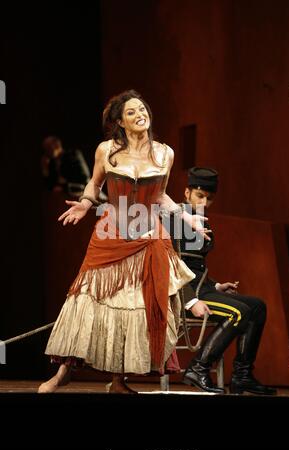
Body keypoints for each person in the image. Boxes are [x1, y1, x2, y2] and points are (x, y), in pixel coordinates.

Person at [38, 90, 209, 394]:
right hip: (110, 235)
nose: (140, 114)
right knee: (86, 301)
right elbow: (95, 182)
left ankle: (118, 381)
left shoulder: (164, 153)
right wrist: (86, 203)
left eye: (142, 109)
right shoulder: (107, 150)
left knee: (135, 310)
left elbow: (159, 195)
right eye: (131, 112)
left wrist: (187, 217)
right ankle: (64, 371)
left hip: (148, 238)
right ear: (119, 121)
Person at [169, 167, 277, 395]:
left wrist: (215, 286)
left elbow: (195, 267)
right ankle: (198, 368)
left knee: (257, 307)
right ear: (187, 192)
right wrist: (189, 301)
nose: (205, 202)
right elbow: (167, 266)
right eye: (200, 196)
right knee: (239, 313)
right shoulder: (175, 219)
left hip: (201, 288)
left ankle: (242, 376)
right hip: (182, 293)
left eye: (209, 198)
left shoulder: (200, 220)